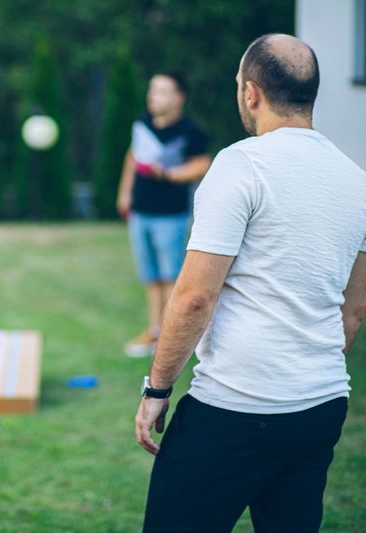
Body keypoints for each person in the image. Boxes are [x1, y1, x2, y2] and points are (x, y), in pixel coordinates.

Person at [135, 34, 366, 532]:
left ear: (251, 93)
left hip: (234, 407)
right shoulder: (357, 179)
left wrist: (157, 387)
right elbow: (355, 309)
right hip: (321, 407)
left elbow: (195, 297)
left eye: (240, 83)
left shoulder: (240, 164)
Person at [116, 71, 211, 357]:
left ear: (178, 97)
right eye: (151, 89)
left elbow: (202, 165)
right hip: (140, 212)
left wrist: (169, 174)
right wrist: (124, 192)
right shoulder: (142, 125)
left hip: (171, 215)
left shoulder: (190, 131)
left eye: (160, 90)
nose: (152, 96)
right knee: (151, 276)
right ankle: (155, 330)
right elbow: (132, 157)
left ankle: (174, 337)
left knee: (172, 277)